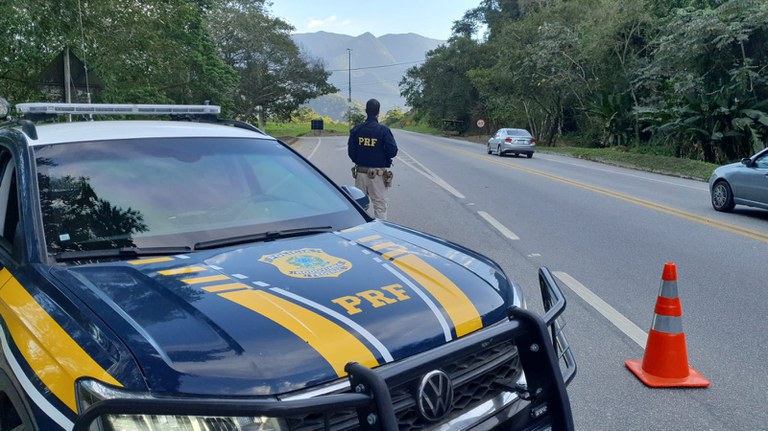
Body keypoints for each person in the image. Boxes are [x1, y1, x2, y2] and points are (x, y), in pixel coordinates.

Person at [347, 99, 398, 220]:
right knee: (380, 207)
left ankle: (359, 234)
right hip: (378, 176)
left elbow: (351, 153)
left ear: (366, 111)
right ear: (378, 112)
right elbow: (393, 151)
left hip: (360, 173)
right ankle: (380, 234)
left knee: (359, 207)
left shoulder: (356, 130)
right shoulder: (384, 131)